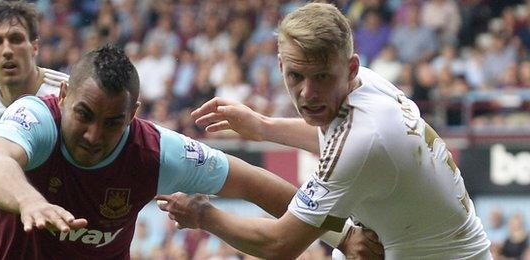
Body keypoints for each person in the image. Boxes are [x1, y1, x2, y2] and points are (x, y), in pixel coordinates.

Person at [0, 42, 381, 259]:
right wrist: (30, 202)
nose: (94, 135)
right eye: (84, 114)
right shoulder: (36, 116)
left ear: (133, 114)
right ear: (63, 95)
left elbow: (256, 185)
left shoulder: (156, 152)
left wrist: (342, 237)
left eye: (113, 122)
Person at [156, 3, 492, 259]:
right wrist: (263, 126)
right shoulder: (368, 86)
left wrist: (202, 214)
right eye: (295, 77)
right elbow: (333, 140)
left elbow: (279, 244)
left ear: (350, 69)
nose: (307, 93)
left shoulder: (361, 141)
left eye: (321, 78)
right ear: (280, 67)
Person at [0, 1, 68, 258]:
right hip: (25, 223)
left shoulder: (68, 94)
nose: (7, 50)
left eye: (16, 39)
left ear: (34, 46)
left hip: (76, 221)